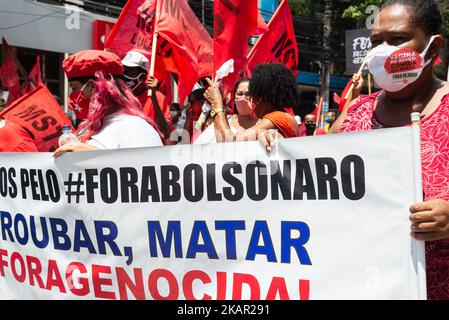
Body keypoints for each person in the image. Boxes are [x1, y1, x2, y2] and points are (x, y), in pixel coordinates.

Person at [262, 0, 449, 300]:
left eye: (398, 39)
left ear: (433, 47)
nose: (383, 50)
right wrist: (273, 142)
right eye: (376, 42)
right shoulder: (357, 113)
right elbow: (310, 173)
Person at [54, 50, 162, 157]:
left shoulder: (137, 129)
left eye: (74, 88)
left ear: (91, 87)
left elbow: (148, 170)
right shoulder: (86, 129)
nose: (72, 96)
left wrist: (92, 154)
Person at [204, 63, 300, 143]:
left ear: (262, 98)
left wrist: (217, 103)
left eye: (253, 96)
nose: (252, 101)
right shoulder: (283, 117)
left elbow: (229, 143)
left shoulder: (278, 117)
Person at [121, 50, 172, 141]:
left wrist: (154, 99)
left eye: (130, 72)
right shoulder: (121, 98)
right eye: (124, 71)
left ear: (142, 76)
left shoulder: (158, 97)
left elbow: (166, 133)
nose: (125, 76)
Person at [194, 78, 259, 144]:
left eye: (248, 94)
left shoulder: (262, 124)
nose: (243, 97)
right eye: (240, 94)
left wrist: (217, 101)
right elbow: (199, 144)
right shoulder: (223, 118)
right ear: (234, 99)